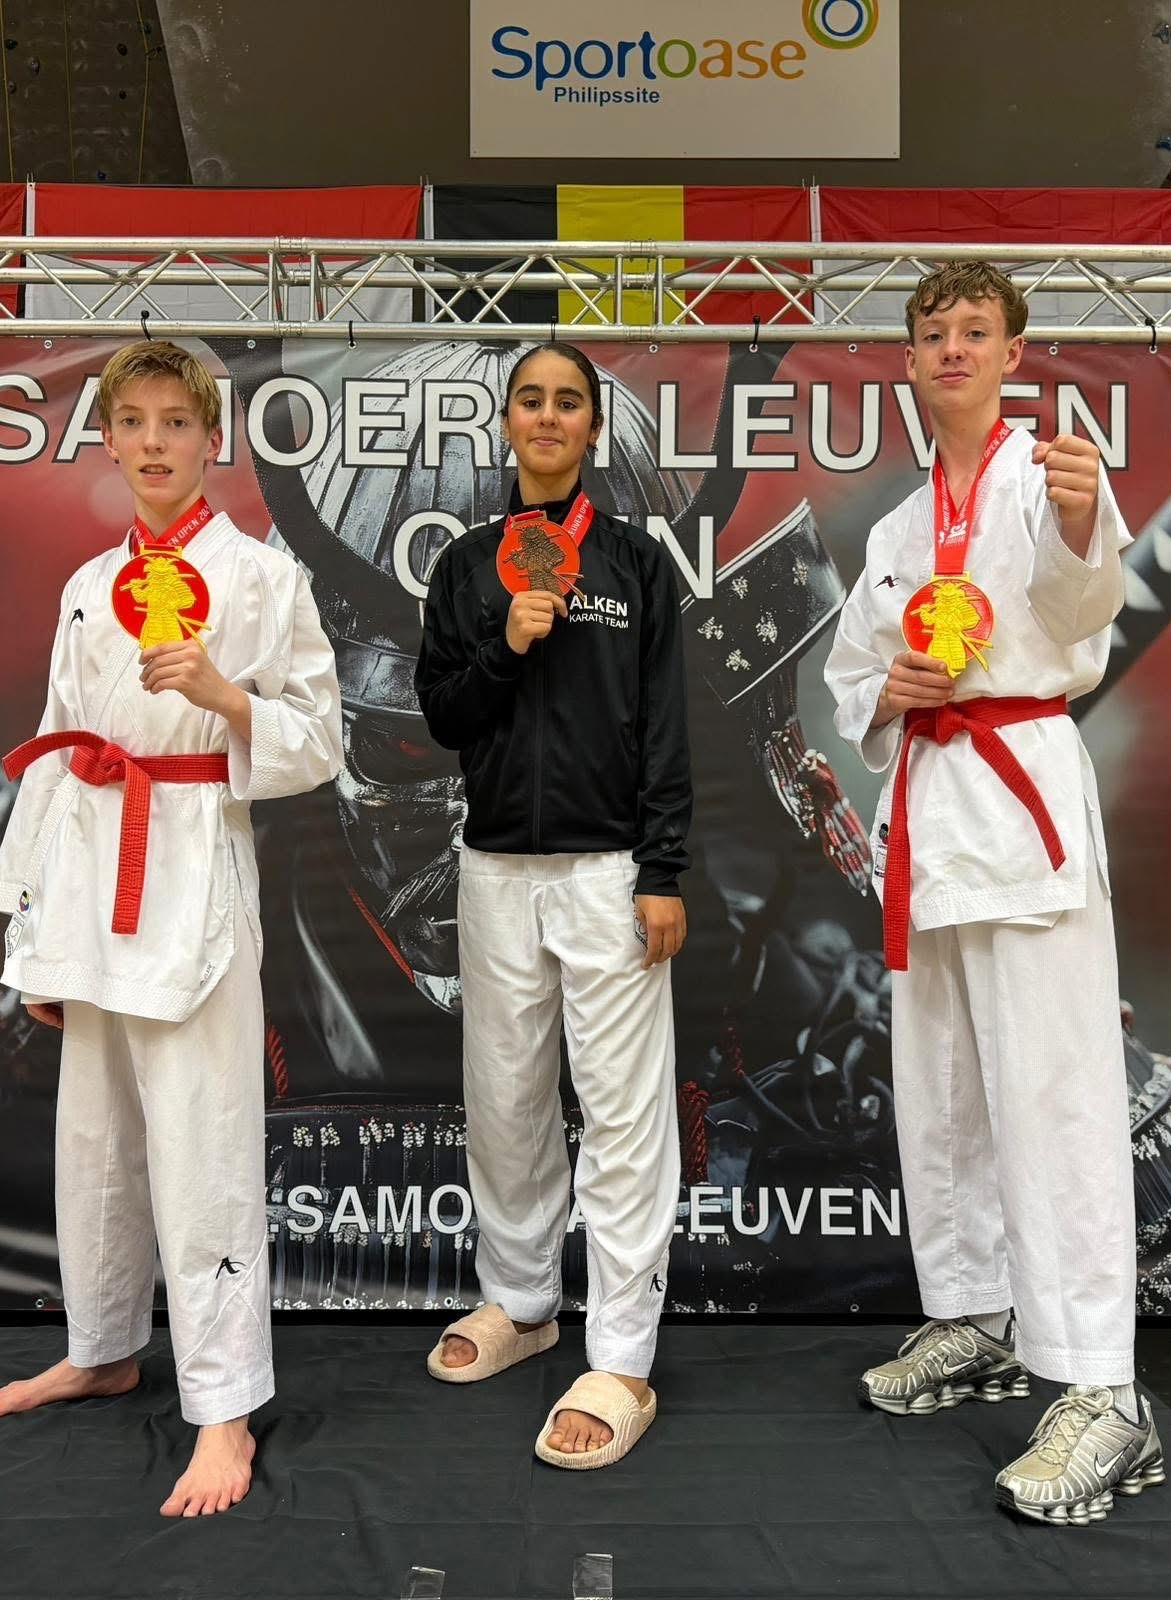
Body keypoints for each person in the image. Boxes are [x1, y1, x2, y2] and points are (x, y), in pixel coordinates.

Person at [0, 339, 343, 1517]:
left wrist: (225, 697)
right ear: (107, 436)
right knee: (95, 1136)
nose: (151, 442)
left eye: (174, 422)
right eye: (130, 421)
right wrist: (18, 908)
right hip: (90, 876)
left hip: (193, 871)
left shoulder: (260, 578)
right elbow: (55, 743)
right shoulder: (90, 583)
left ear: (210, 437)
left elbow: (321, 737)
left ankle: (224, 1404)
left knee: (201, 1139)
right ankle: (102, 1346)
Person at [824, 263, 1163, 1525]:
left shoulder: (1051, 479)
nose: (951, 349)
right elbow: (853, 673)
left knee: (1053, 1095)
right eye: (932, 334)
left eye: (975, 331)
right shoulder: (895, 531)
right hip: (928, 814)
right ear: (910, 360)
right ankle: (974, 1315)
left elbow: (1086, 608)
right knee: (944, 1089)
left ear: (1014, 352)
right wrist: (886, 693)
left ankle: (1101, 1387)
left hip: (1021, 798)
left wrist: (1081, 523)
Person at [415, 342, 690, 1470]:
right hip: (493, 867)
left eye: (567, 401)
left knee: (622, 1117)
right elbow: (442, 713)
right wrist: (506, 642)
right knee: (506, 1099)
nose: (547, 416)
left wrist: (662, 869)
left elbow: (666, 727)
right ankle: (523, 1302)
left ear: (592, 429)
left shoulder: (635, 564)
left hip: (608, 869)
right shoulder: (465, 564)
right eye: (529, 399)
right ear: (506, 422)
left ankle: (620, 1355)